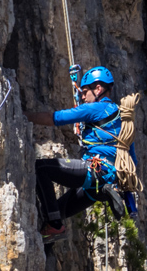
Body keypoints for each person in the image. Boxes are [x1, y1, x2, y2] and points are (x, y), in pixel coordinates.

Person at [26, 66, 132, 243]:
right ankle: (51, 233)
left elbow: (56, 118)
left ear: (98, 89)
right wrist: (129, 197)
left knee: (41, 168)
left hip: (94, 172)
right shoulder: (122, 119)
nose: (83, 97)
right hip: (101, 185)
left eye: (85, 92)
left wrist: (24, 115)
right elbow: (131, 158)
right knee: (55, 213)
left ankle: (54, 225)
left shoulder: (96, 109)